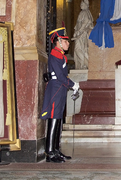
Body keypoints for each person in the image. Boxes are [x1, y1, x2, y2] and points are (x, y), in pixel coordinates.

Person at [40, 27, 80, 163]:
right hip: (56, 90)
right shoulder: (55, 55)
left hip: (60, 90)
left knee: (59, 120)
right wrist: (73, 84)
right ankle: (50, 152)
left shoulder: (60, 55)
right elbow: (61, 77)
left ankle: (56, 150)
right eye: (65, 41)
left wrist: (71, 84)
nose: (68, 43)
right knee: (54, 119)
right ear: (58, 41)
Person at [72, 0, 94, 69]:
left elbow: (85, 23)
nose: (80, 5)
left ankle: (84, 64)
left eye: (82, 4)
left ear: (86, 5)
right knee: (83, 50)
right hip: (83, 34)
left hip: (82, 35)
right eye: (80, 4)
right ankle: (84, 64)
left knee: (78, 49)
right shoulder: (86, 12)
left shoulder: (84, 12)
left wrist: (78, 32)